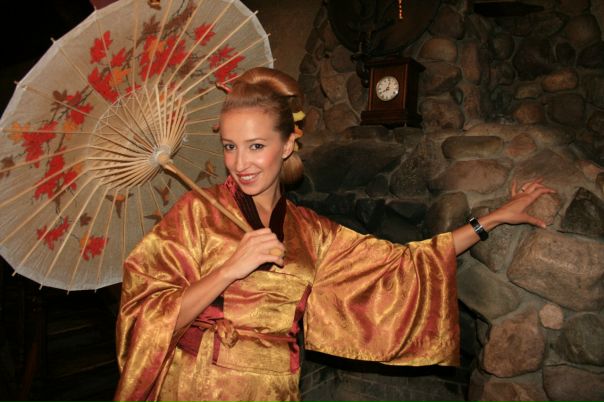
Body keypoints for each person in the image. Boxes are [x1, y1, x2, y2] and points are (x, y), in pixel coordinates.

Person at [113, 67, 554, 402]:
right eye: (230, 146)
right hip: (197, 386)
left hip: (273, 390)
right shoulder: (196, 213)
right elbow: (143, 318)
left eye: (256, 146)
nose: (240, 163)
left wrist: (492, 220)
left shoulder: (310, 230)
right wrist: (229, 269)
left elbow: (401, 266)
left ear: (288, 145)